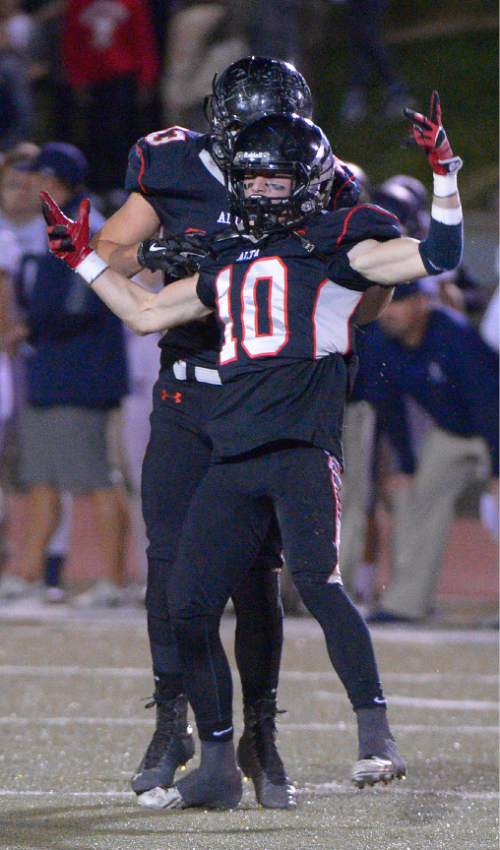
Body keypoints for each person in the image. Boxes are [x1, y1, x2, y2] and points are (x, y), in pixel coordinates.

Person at [43, 91, 464, 808]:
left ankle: (375, 736)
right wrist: (84, 261)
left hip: (300, 448)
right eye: (254, 179)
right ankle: (214, 757)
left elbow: (436, 254)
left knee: (316, 582)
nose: (263, 190)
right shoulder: (228, 255)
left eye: (278, 179)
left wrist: (447, 176)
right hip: (232, 456)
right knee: (185, 602)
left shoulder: (341, 239)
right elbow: (146, 311)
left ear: (309, 181)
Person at [92, 56, 327, 810]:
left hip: (265, 400)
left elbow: (359, 286)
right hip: (189, 395)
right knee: (167, 566)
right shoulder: (173, 161)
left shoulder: (323, 172)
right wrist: (159, 257)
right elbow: (108, 252)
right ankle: (173, 723)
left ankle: (261, 733)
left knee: (256, 577)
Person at [11, 142, 130, 606]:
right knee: (42, 477)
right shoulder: (53, 227)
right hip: (52, 371)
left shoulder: (90, 230)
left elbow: (79, 305)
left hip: (83, 375)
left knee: (97, 479)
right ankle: (30, 573)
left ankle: (113, 582)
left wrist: (27, 325)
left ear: (59, 183)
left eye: (40, 178)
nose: (31, 186)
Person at [358, 281, 498, 624]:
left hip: (494, 426)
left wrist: (497, 471)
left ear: (422, 303)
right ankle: (407, 603)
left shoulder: (453, 334)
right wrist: (406, 464)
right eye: (388, 302)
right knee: (417, 495)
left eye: (400, 302)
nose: (390, 311)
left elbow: (490, 404)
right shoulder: (381, 341)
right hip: (453, 432)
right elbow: (389, 406)